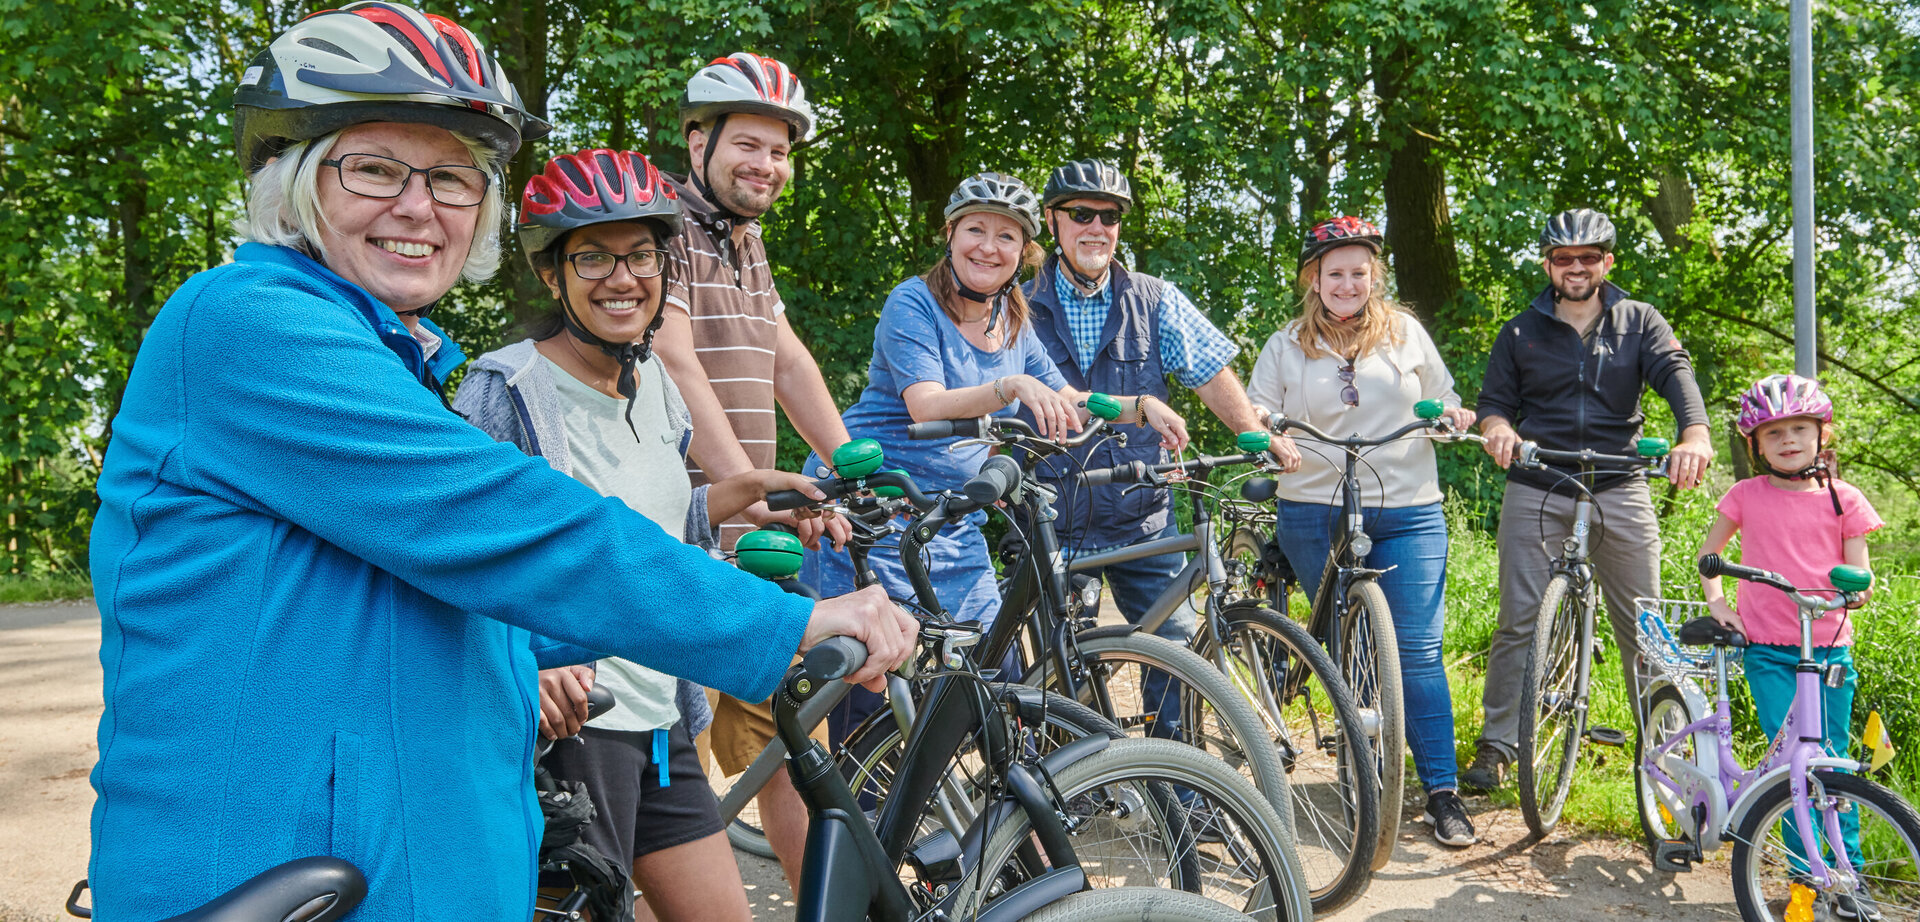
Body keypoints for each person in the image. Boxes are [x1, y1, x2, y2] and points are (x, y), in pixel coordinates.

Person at [84, 7, 914, 919]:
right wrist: (775, 623)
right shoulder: (250, 324)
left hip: (398, 867)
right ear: (293, 183)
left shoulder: (395, 361)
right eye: (373, 168)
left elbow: (425, 596)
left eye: (452, 177)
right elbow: (502, 524)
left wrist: (660, 603)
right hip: (285, 877)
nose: (417, 205)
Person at [455, 148, 829, 922]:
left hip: (661, 718)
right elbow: (463, 556)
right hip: (574, 733)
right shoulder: (508, 391)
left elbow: (658, 526)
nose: (621, 277)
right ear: (552, 275)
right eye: (591, 255)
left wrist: (747, 497)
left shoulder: (656, 381)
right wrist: (521, 654)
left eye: (641, 254)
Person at [801, 172, 1188, 704]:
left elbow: (1065, 395)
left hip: (953, 520)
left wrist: (1140, 408)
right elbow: (926, 403)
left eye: (1006, 236)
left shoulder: (1011, 317)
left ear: (1023, 250)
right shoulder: (912, 303)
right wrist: (1009, 385)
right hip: (877, 512)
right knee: (882, 696)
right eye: (975, 230)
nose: (988, 247)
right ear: (950, 235)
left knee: (996, 681)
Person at [647, 52, 854, 888]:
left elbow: (787, 361)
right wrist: (752, 489)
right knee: (670, 778)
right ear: (699, 141)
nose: (765, 164)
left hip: (754, 550)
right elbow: (676, 362)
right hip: (683, 541)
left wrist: (850, 465)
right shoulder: (662, 230)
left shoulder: (747, 241)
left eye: (779, 149)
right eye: (748, 144)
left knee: (798, 745)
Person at [1019, 158, 1295, 740]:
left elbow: (1210, 373)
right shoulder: (1016, 304)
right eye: (1081, 213)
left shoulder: (1154, 298)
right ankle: (1073, 793)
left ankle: (1182, 797)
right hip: (1055, 512)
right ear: (1052, 221)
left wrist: (1254, 434)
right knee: (1063, 664)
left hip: (1144, 513)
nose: (1096, 226)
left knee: (1173, 654)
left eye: (1110, 216)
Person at [1245, 216, 1480, 847]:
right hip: (1313, 504)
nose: (1347, 283)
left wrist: (1452, 417)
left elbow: (1446, 398)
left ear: (1374, 276)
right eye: (1334, 273)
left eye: (1358, 272)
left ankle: (1441, 792)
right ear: (1314, 280)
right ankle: (1355, 753)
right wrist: (1270, 430)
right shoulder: (1286, 344)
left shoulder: (1406, 334)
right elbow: (1258, 406)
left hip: (1407, 506)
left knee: (1418, 654)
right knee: (1338, 645)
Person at [1463, 207, 1714, 793]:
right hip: (1540, 483)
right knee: (1519, 621)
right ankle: (1498, 744)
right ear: (1547, 264)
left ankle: (1664, 756)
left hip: (1619, 483)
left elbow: (1678, 377)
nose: (1576, 268)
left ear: (1607, 261)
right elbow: (1494, 401)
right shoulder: (1521, 330)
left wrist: (1694, 435)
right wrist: (1499, 429)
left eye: (1589, 257)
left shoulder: (1639, 321)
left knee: (1644, 628)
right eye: (1563, 258)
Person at [1698, 374, 1882, 917]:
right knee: (1796, 768)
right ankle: (1807, 879)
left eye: (1799, 428)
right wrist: (1719, 605)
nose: (1788, 439)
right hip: (1771, 651)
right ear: (1755, 442)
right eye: (1773, 432)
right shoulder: (1745, 495)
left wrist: (1856, 590)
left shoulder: (1844, 498)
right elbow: (1711, 557)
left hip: (1829, 652)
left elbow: (1860, 573)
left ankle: (1849, 876)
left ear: (1822, 434)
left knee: (1835, 769)